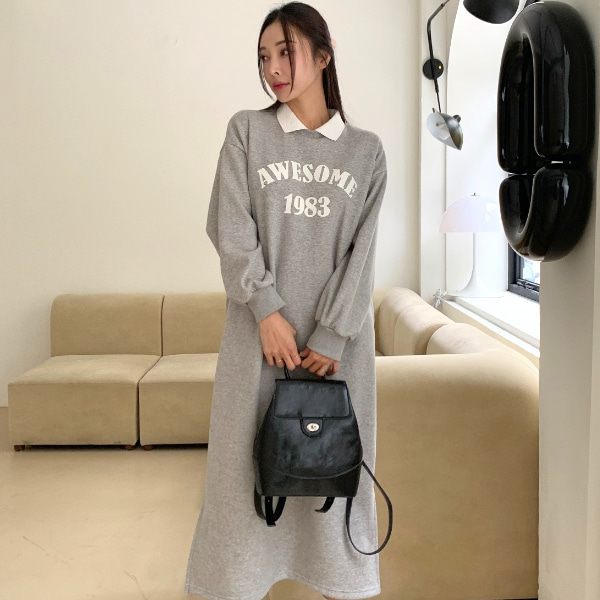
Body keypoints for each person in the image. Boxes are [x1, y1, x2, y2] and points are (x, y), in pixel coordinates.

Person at [184, 3, 387, 599]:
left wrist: (331, 334)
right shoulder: (247, 131)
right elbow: (229, 227)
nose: (273, 68)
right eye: (264, 56)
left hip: (335, 354)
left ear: (323, 56)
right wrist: (266, 311)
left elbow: (363, 254)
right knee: (239, 475)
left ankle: (336, 583)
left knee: (331, 471)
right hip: (256, 343)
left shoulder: (366, 151)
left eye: (286, 51)